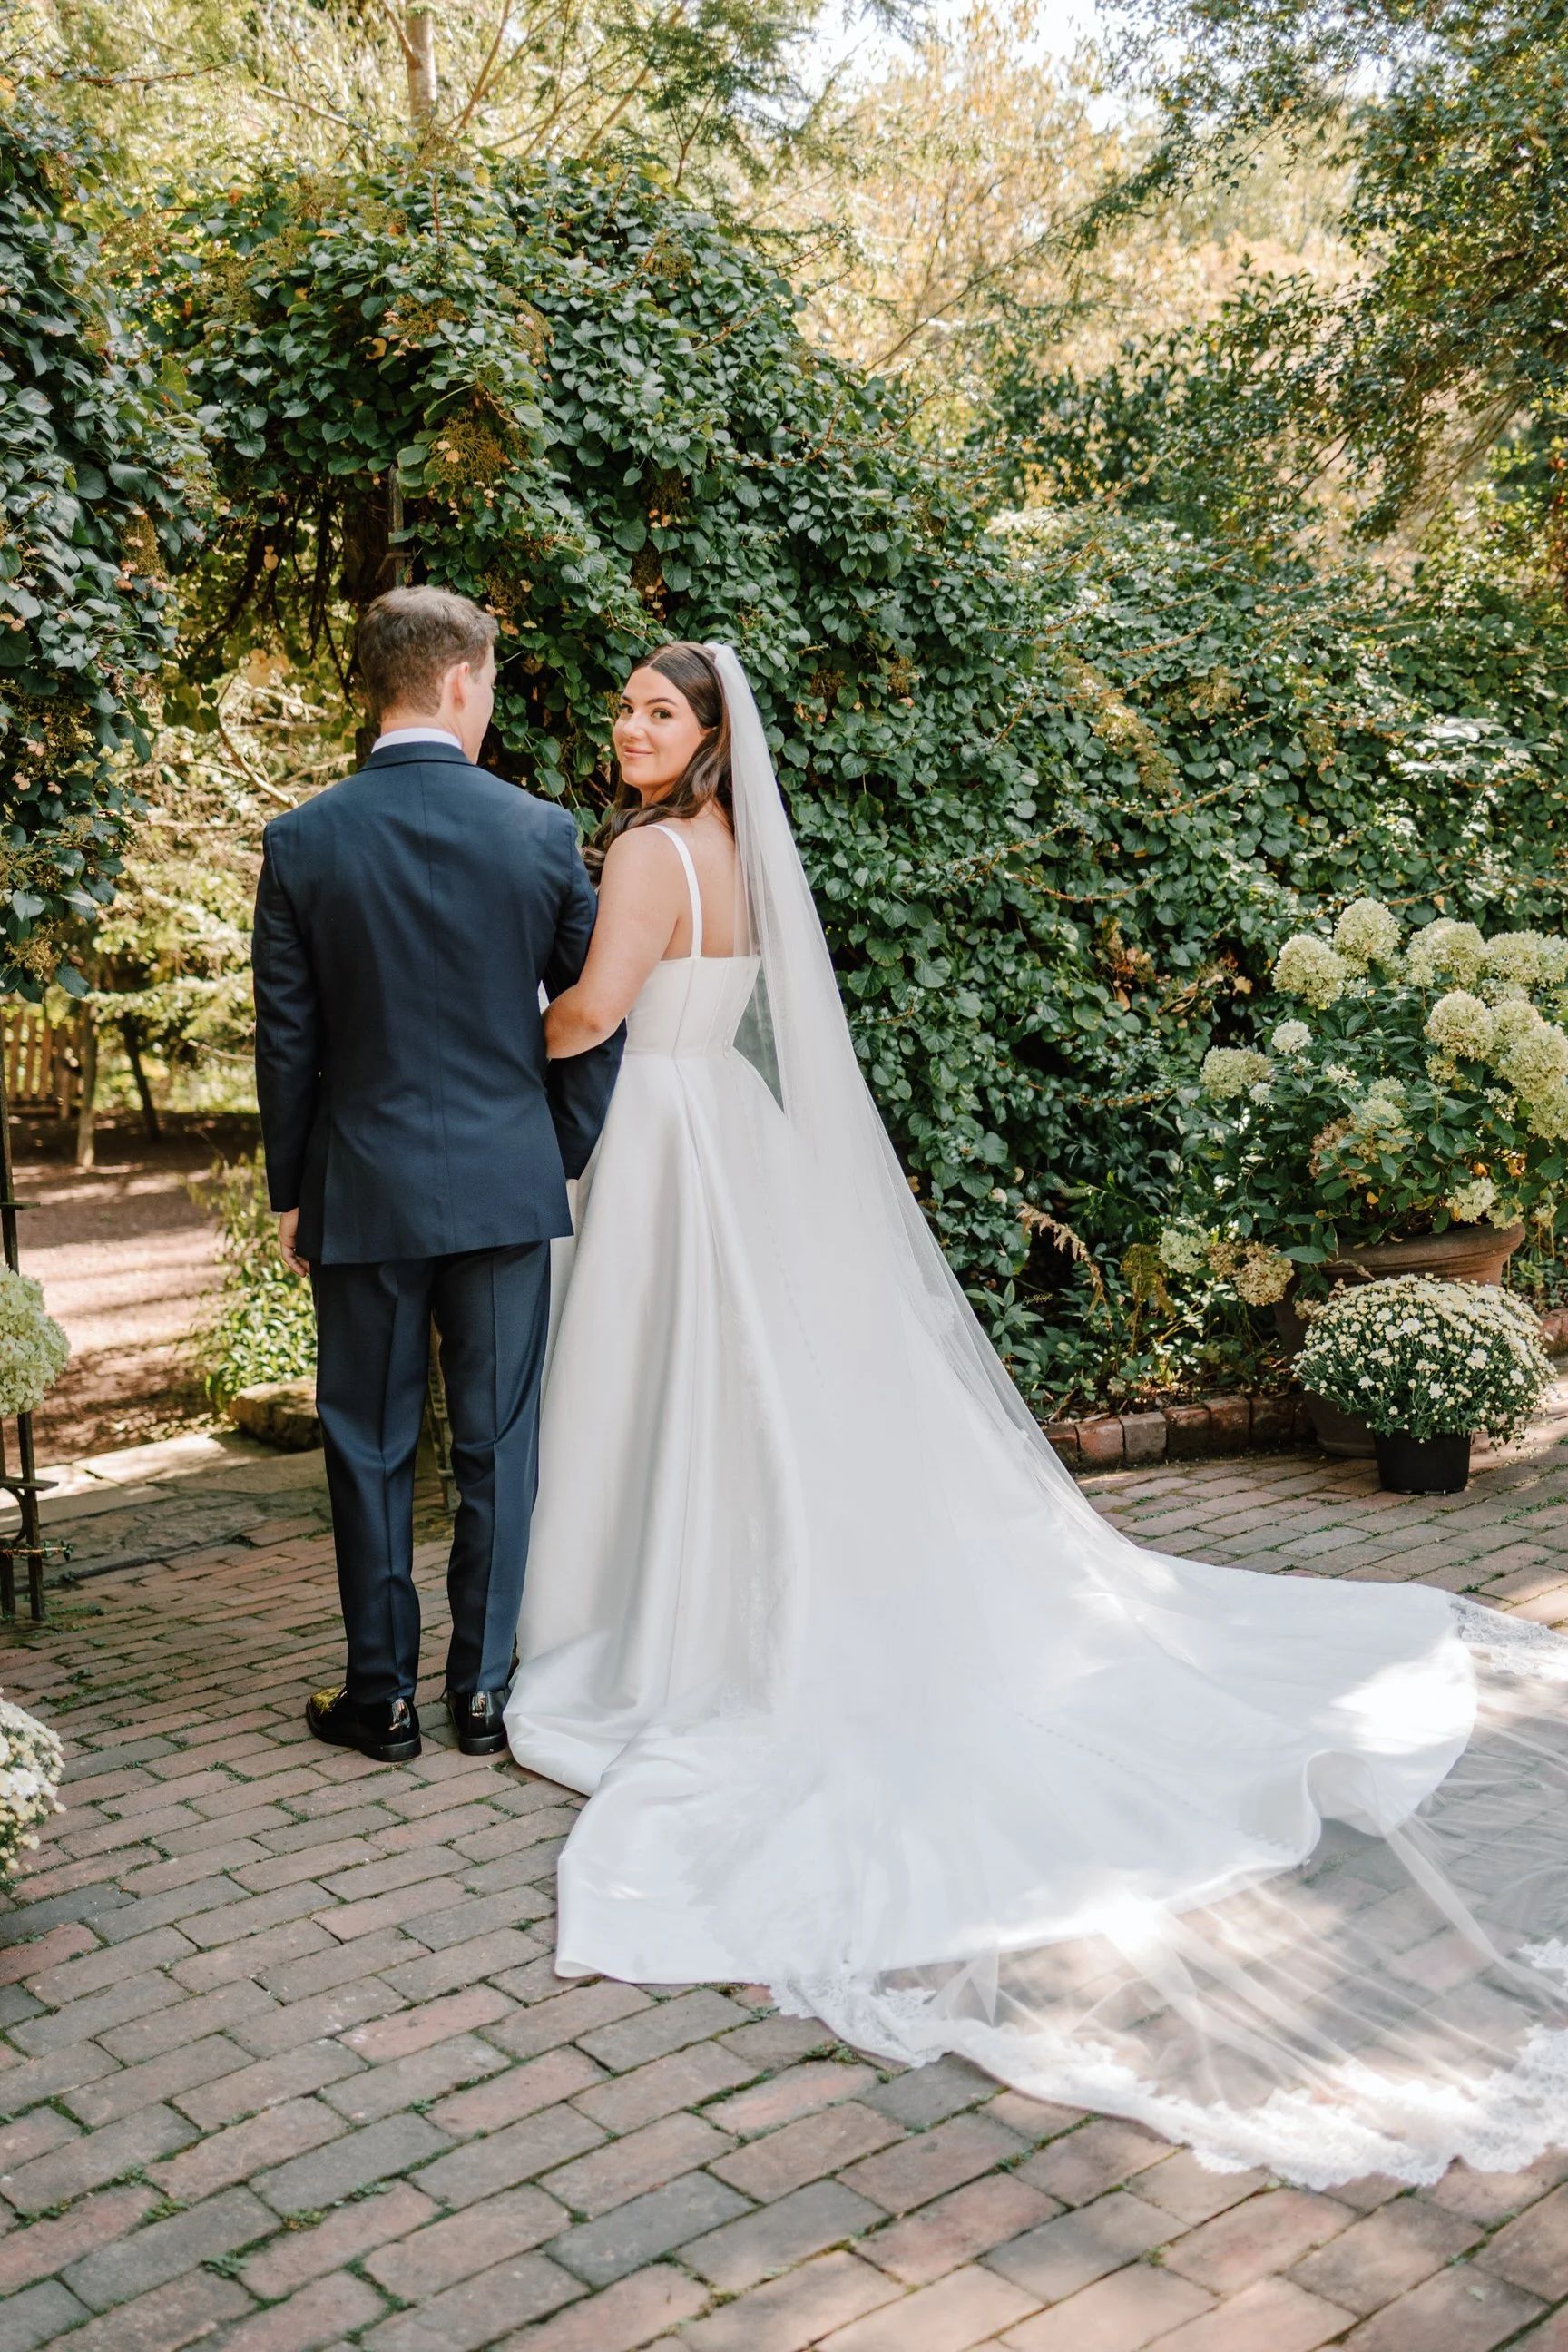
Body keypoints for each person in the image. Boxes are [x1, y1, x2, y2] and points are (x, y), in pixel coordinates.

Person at [505, 639, 1568, 2190]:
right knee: (735, 1392)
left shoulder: (650, 850)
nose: (633, 728)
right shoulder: (736, 850)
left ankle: (645, 1620)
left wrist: (492, 1032)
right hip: (731, 1123)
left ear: (711, 735)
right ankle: (705, 1575)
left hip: (667, 1136)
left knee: (670, 1378)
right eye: (626, 709)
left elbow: (598, 1014)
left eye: (661, 712)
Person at [252, 585, 622, 1766]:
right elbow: (595, 1015)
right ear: (461, 679)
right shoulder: (540, 834)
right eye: (494, 681)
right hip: (508, 1184)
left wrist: (291, 1191)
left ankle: (382, 1697)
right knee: (498, 1446)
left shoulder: (303, 841)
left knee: (366, 1440)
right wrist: (552, 1149)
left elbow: (288, 1041)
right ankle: (484, 1694)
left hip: (362, 1184)